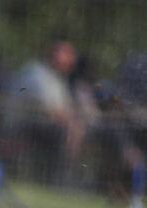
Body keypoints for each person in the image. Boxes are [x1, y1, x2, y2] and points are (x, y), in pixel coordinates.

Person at [6, 38, 88, 184]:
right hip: (20, 127)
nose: (71, 60)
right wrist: (74, 125)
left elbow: (66, 108)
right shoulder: (36, 74)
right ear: (54, 54)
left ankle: (62, 177)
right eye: (67, 55)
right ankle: (58, 179)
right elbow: (54, 111)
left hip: (40, 126)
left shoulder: (57, 78)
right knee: (65, 132)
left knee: (72, 129)